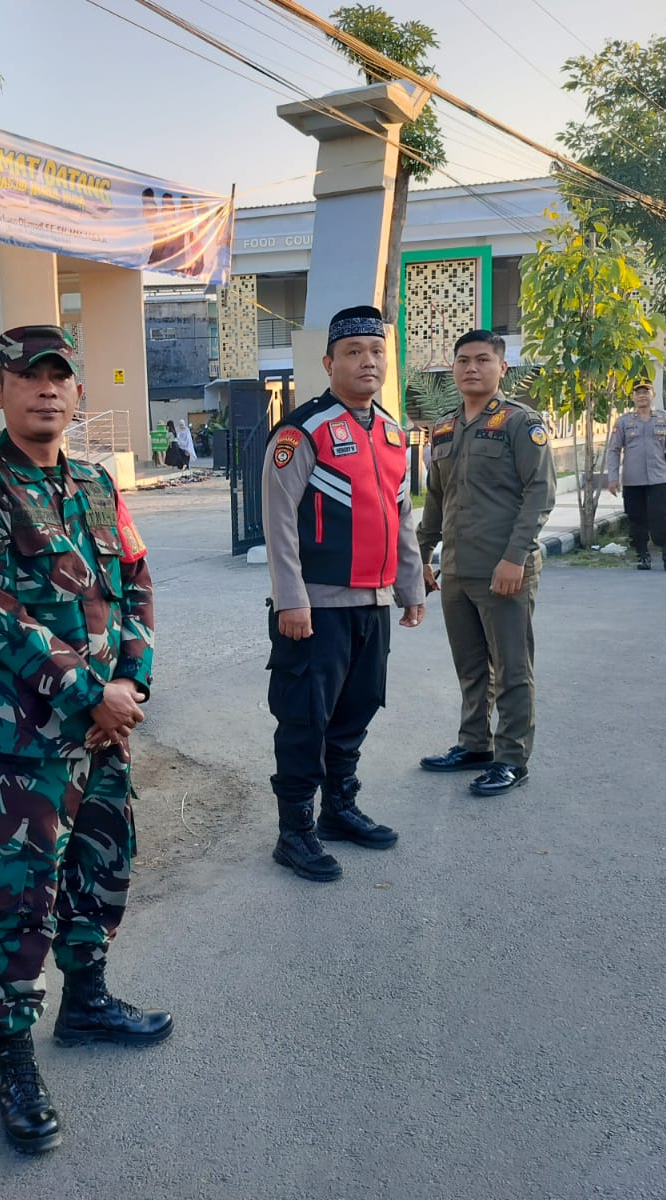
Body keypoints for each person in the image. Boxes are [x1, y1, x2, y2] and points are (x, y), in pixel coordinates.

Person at [0, 324, 171, 1154]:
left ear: (77, 393)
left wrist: (132, 683)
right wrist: (91, 694)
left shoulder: (98, 485)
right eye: (27, 376)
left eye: (58, 376)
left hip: (106, 734)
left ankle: (88, 1004)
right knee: (19, 900)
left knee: (101, 869)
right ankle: (14, 1063)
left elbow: (135, 582)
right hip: (25, 746)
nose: (45, 388)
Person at [260, 305, 425, 881]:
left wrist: (411, 587)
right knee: (305, 718)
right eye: (353, 352)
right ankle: (294, 831)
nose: (367, 361)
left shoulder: (394, 434)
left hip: (372, 604)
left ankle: (338, 809)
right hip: (316, 608)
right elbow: (279, 521)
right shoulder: (302, 431)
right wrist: (291, 599)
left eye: (376, 351)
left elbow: (402, 518)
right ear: (329, 363)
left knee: (356, 711)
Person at [416, 329, 556, 797]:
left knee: (512, 668)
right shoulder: (443, 428)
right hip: (457, 569)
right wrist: (422, 556)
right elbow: (436, 499)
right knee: (471, 666)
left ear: (502, 368)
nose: (471, 368)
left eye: (482, 360)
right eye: (463, 360)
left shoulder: (520, 422)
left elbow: (540, 493)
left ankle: (512, 758)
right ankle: (475, 744)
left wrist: (515, 558)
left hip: (505, 569)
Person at [603, 376, 666, 571]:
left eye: (645, 392)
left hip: (658, 478)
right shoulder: (624, 421)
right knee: (636, 518)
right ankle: (643, 555)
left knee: (662, 516)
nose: (642, 396)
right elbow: (614, 450)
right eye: (638, 393)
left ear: (652, 395)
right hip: (633, 480)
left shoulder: (665, 418)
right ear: (633, 397)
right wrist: (612, 478)